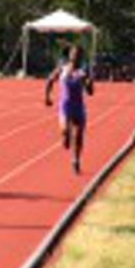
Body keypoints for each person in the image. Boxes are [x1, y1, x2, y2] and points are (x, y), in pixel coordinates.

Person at [45, 45, 94, 175]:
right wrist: (47, 97)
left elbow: (90, 92)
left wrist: (88, 84)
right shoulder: (62, 68)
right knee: (66, 132)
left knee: (78, 136)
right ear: (70, 55)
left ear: (81, 56)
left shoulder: (84, 71)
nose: (76, 56)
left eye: (78, 54)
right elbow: (50, 80)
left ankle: (76, 160)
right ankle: (65, 137)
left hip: (79, 107)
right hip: (65, 106)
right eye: (74, 53)